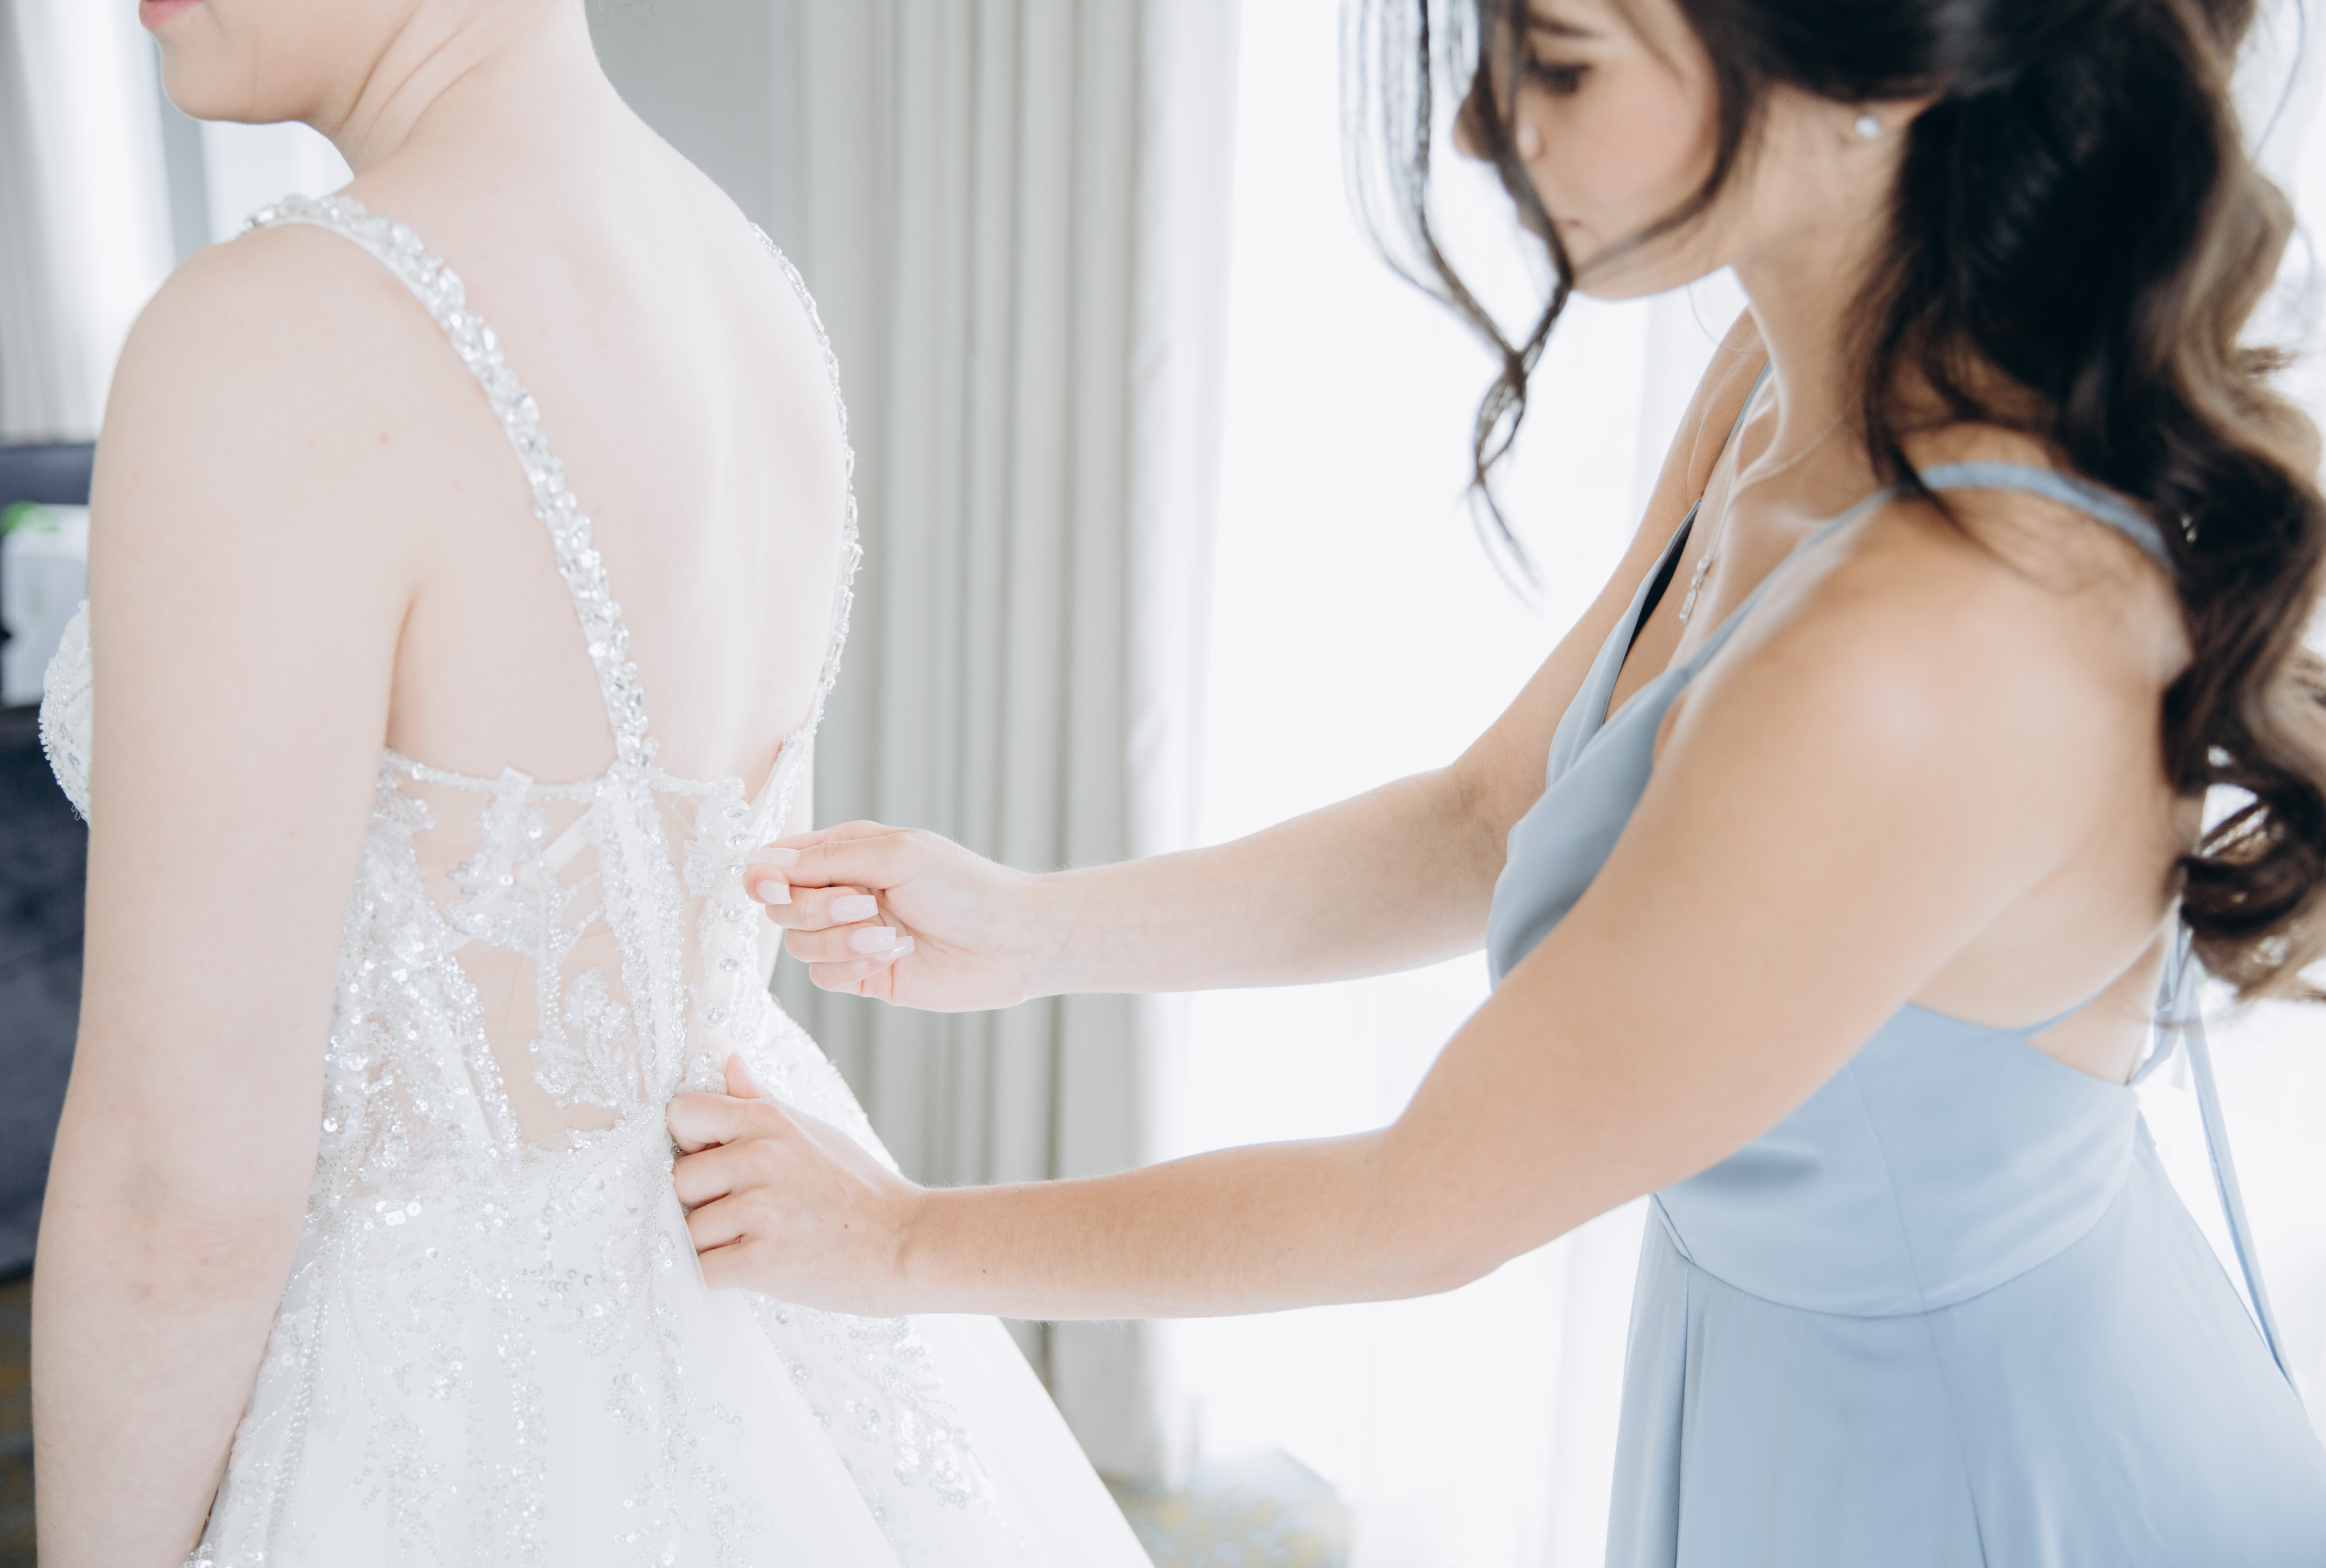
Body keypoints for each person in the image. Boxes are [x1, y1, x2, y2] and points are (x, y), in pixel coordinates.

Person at [667, 0, 2326, 1560]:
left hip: (1975, 1462)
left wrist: (897, 1243)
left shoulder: (1926, 642)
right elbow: (1496, 816)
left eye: (1561, 60)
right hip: (1783, 1382)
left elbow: (1418, 1207)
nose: (1480, 130)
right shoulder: (1778, 393)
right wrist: (1039, 930)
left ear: (1869, 73)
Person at [25, 1, 1154, 1563]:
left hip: (431, 1382)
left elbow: (183, 1186)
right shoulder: (747, 279)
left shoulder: (274, 336)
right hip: (734, 1304)